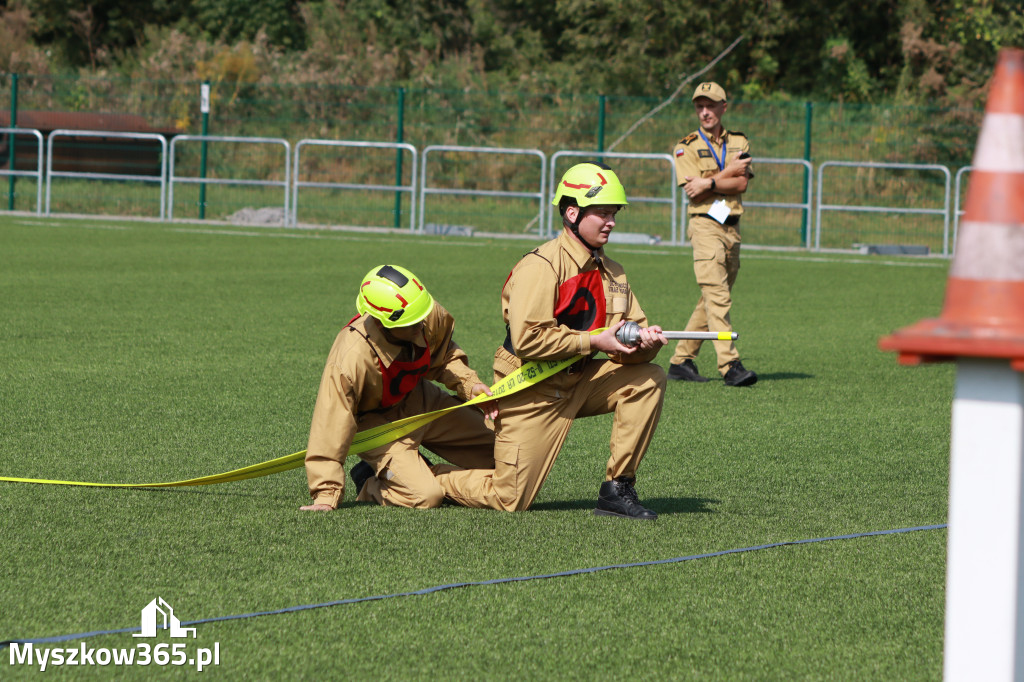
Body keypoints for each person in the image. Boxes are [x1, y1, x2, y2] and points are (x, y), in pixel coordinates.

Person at [436, 162, 668, 520]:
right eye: (603, 213)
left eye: (614, 214)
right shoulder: (540, 266)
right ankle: (415, 477)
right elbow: (528, 340)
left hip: (580, 380)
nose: (612, 222)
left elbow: (626, 343)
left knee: (649, 377)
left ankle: (617, 489)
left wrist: (644, 344)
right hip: (532, 389)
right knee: (510, 498)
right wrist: (596, 341)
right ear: (572, 212)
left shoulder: (615, 271)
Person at [300, 264, 497, 511]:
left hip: (421, 401)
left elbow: (443, 354)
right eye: (412, 322)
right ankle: (369, 482)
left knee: (502, 454)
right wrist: (326, 495)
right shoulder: (350, 359)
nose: (421, 325)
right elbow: (330, 425)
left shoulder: (424, 312)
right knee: (426, 496)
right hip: (377, 425)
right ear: (384, 323)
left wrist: (471, 385)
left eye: (422, 315)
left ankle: (412, 474)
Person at [667, 81, 758, 387]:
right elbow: (693, 192)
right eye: (699, 106)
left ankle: (681, 359)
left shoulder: (740, 141)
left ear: (723, 107)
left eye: (710, 105)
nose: (704, 112)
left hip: (731, 225)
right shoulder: (686, 146)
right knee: (717, 295)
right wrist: (724, 174)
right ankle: (729, 365)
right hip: (704, 224)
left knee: (713, 296)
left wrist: (709, 182)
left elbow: (742, 184)